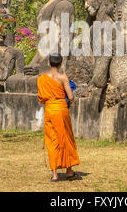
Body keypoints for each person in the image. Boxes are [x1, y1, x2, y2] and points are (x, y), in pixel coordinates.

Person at [37, 53, 81, 182]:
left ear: (49, 63)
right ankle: (69, 171)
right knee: (66, 139)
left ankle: (55, 175)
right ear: (61, 64)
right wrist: (67, 100)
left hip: (49, 110)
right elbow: (71, 97)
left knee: (52, 141)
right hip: (61, 110)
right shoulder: (62, 77)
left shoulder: (41, 79)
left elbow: (41, 97)